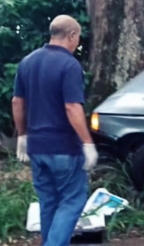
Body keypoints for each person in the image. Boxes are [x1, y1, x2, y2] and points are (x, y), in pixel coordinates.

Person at [12, 15, 98, 246]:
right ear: (71, 35)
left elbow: (17, 102)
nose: (77, 43)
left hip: (37, 148)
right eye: (77, 38)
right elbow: (72, 107)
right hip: (64, 148)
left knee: (49, 203)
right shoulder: (70, 65)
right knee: (72, 201)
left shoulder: (27, 62)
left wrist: (22, 136)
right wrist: (88, 143)